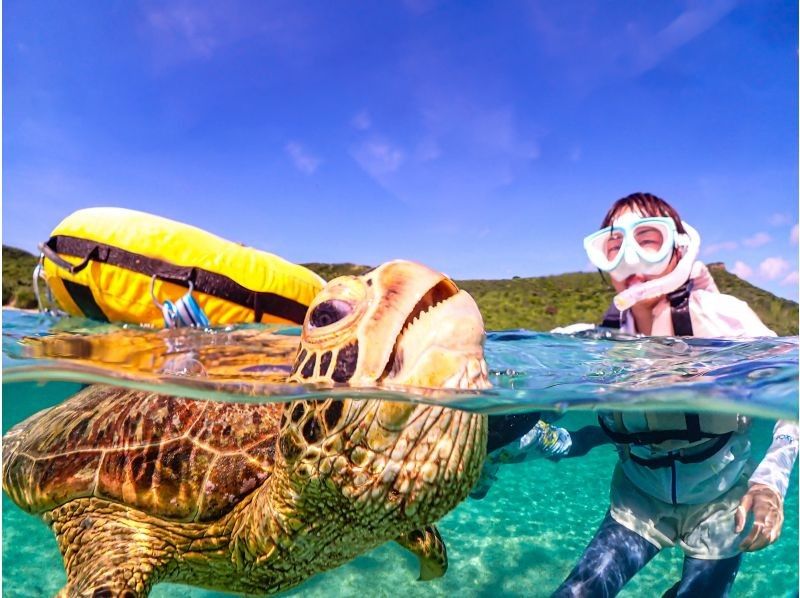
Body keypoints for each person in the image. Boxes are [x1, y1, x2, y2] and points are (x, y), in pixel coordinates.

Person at [549, 192, 798, 597]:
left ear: (680, 249)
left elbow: (796, 396)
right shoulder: (600, 341)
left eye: (649, 239)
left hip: (721, 505)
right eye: (614, 246)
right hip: (637, 502)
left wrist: (770, 483)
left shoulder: (724, 320)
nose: (630, 259)